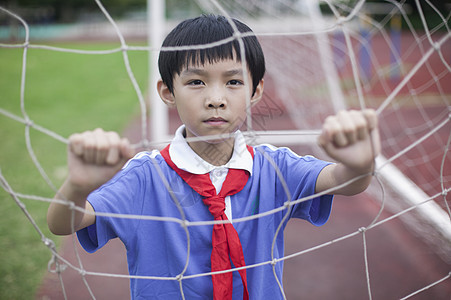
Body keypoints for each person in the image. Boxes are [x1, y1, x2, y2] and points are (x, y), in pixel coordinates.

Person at [47, 14, 380, 300]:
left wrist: (359, 164)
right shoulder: (145, 176)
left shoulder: (275, 167)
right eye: (196, 82)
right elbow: (64, 223)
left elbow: (344, 181)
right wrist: (77, 187)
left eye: (233, 81)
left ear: (256, 90)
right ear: (167, 91)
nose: (216, 98)